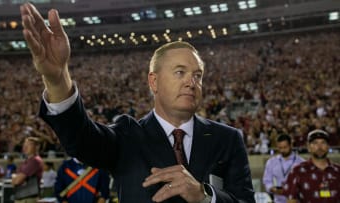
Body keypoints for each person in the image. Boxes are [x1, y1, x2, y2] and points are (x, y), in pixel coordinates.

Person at [20, 2, 255, 203]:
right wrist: (57, 78)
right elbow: (81, 139)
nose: (191, 82)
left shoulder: (227, 139)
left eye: (197, 75)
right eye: (180, 72)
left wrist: (205, 195)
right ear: (153, 82)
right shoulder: (128, 135)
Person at [283, 129, 340, 203]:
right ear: (308, 147)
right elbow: (291, 200)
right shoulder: (297, 171)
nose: (319, 147)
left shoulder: (337, 171)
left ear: (328, 146)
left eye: (323, 143)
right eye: (315, 143)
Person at [262, 134, 304, 203]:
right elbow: (267, 181)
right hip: (278, 200)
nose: (282, 150)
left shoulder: (301, 162)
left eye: (285, 147)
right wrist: (273, 189)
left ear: (291, 145)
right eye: (280, 148)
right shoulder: (271, 162)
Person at [12, 136, 44, 203]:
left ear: (37, 147)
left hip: (28, 199)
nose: (25, 147)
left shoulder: (35, 161)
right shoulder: (27, 161)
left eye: (29, 145)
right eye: (24, 145)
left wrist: (16, 179)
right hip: (22, 198)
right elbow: (15, 181)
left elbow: (17, 181)